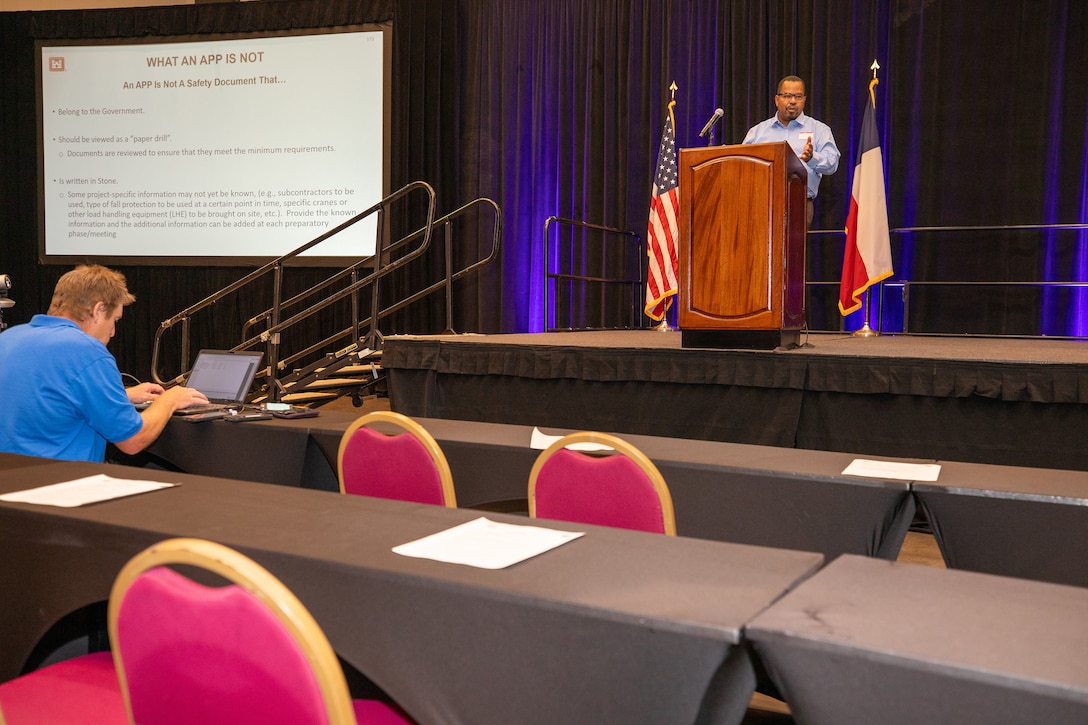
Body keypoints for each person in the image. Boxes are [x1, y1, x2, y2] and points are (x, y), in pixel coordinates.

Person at [0, 264, 208, 462]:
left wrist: (122, 396)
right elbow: (133, 441)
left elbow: (42, 400)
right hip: (61, 488)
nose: (113, 332)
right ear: (98, 311)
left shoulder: (9, 338)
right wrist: (170, 400)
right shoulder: (87, 351)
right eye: (114, 320)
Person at [743, 75, 840, 223]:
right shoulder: (757, 132)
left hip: (799, 204)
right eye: (787, 96)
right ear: (777, 100)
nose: (793, 101)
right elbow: (743, 166)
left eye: (798, 96)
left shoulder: (819, 129)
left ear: (804, 100)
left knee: (794, 246)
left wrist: (812, 158)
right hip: (761, 204)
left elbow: (832, 164)